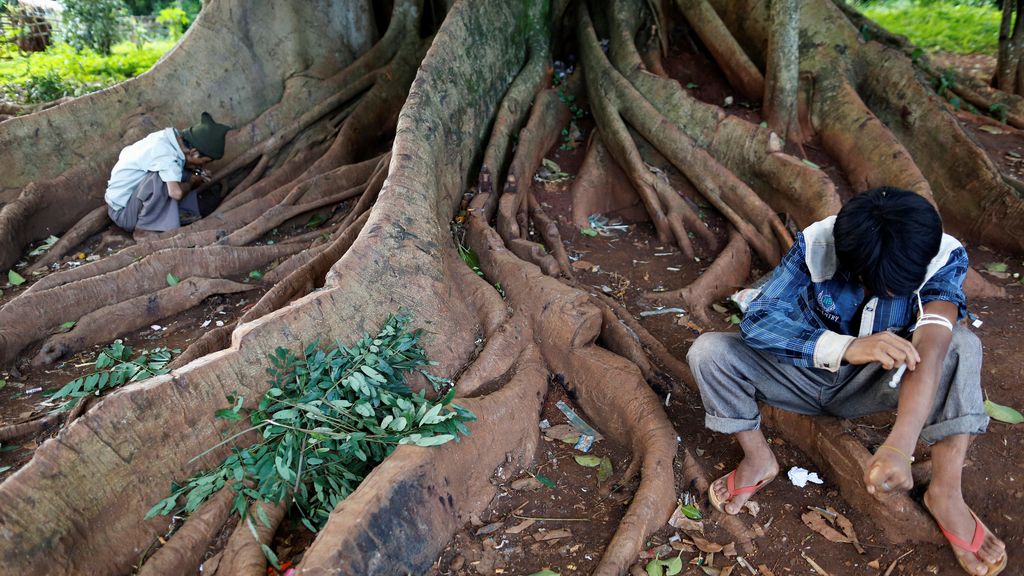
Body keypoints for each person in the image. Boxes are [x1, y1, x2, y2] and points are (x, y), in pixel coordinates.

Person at [687, 187, 1006, 576]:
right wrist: (849, 347)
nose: (885, 292)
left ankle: (946, 494)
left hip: (877, 384)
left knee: (962, 345)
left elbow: (934, 348)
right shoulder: (818, 243)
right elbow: (757, 321)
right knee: (708, 352)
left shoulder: (941, 255)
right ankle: (757, 458)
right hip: (799, 375)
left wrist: (898, 448)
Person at [104, 111, 230, 240]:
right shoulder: (166, 156)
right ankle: (144, 229)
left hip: (130, 202)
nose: (204, 166)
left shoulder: (170, 140)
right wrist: (192, 181)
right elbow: (176, 193)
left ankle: (169, 216)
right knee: (160, 179)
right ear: (194, 153)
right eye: (205, 162)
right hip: (123, 214)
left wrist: (195, 173)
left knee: (179, 174)